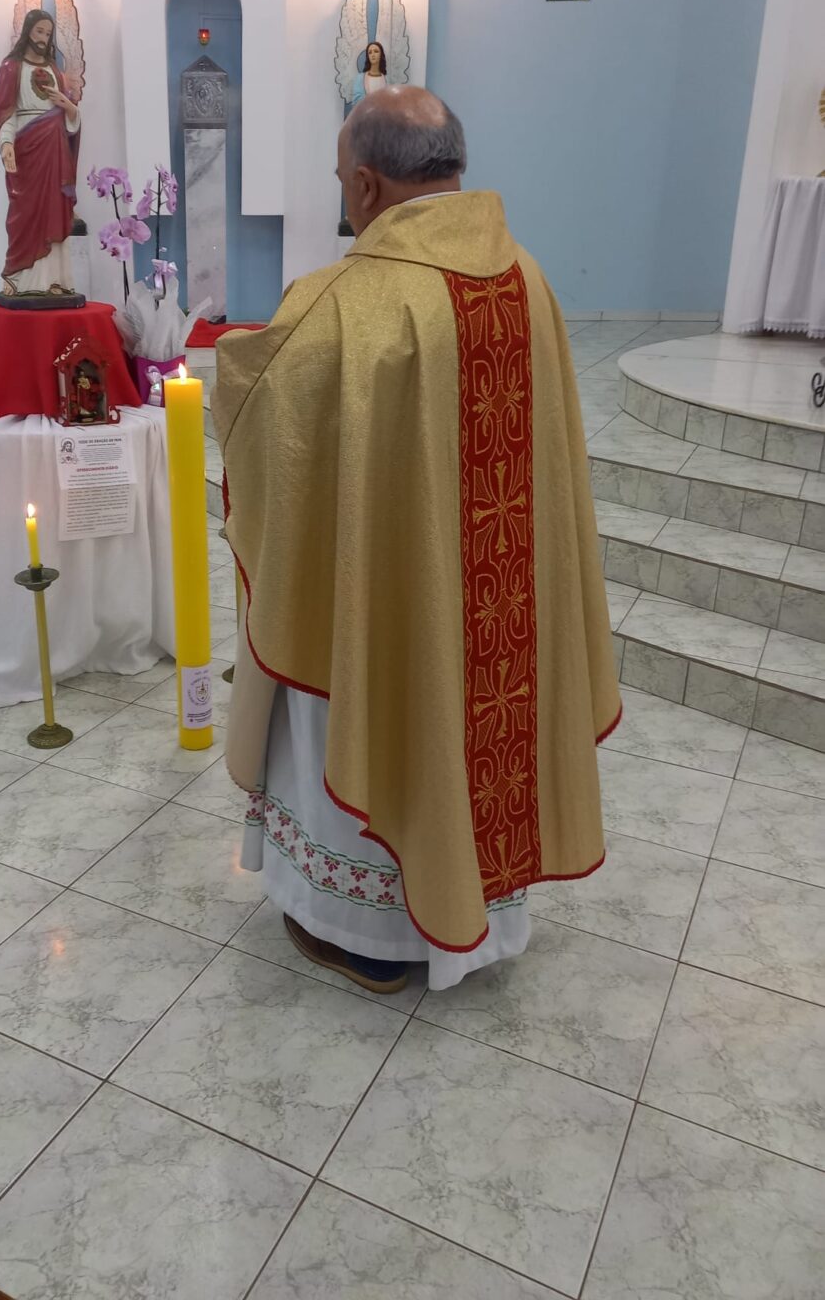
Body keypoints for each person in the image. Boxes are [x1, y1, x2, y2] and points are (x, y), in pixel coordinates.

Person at [213, 86, 620, 994]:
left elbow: (267, 412)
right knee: (481, 716)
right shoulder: (528, 278)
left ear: (365, 183)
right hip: (502, 608)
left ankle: (364, 932)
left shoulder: (345, 302)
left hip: (390, 601)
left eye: (339, 182)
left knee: (373, 698)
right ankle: (480, 910)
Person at [0, 10, 81, 295]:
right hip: (27, 149)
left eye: (48, 33)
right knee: (24, 212)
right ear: (28, 31)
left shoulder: (55, 71)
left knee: (54, 210)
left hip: (54, 148)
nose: (43, 38)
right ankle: (18, 278)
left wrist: (69, 108)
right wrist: (6, 144)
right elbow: (5, 112)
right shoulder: (12, 67)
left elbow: (69, 117)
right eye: (39, 31)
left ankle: (55, 280)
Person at [350, 41, 389, 107]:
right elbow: (356, 101)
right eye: (370, 52)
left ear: (381, 55)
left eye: (376, 51)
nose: (373, 54)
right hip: (365, 112)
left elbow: (388, 100)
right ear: (368, 56)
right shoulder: (360, 78)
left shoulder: (386, 79)